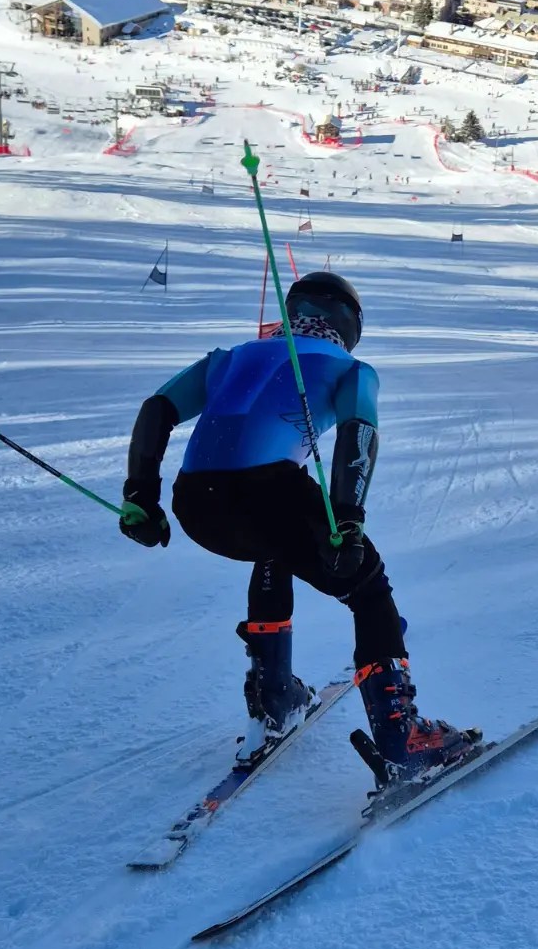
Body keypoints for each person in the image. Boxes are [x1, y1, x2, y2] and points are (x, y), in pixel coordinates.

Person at [118, 270, 479, 781]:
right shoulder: (351, 368)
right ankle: (403, 739)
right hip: (270, 493)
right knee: (368, 589)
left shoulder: (232, 357)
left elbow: (157, 408)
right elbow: (359, 431)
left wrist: (141, 497)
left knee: (276, 547)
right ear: (350, 323)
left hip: (196, 504)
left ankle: (275, 696)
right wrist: (348, 523)